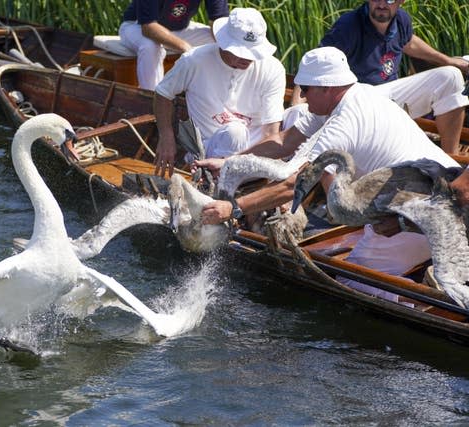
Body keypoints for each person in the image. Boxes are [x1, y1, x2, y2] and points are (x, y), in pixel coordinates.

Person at [198, 46, 460, 284]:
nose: (300, 95)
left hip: (417, 214)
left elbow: (295, 184)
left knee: (354, 283)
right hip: (454, 192)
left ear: (327, 88)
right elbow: (284, 142)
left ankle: (430, 286)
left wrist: (233, 208)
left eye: (306, 89)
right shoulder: (357, 96)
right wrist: (229, 162)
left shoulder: (342, 124)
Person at [292, 0, 469, 154]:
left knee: (450, 76)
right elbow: (315, 63)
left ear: (401, 1)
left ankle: (450, 158)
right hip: (358, 103)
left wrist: (448, 61)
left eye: (389, 0)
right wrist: (295, 107)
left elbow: (409, 42)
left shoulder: (401, 20)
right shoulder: (349, 26)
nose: (382, 4)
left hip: (388, 100)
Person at [154, 7, 295, 177]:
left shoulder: (272, 69)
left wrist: (268, 164)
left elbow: (271, 130)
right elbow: (163, 93)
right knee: (235, 132)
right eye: (240, 51)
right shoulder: (194, 60)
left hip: (256, 151)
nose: (246, 58)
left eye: (252, 52)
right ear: (223, 42)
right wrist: (166, 135)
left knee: (299, 115)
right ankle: (216, 179)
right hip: (210, 146)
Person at [119, 0, 229, 90]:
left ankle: (221, 92)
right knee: (150, 47)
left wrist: (225, 44)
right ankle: (151, 97)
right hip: (136, 26)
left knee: (221, 41)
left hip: (180, 28)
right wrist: (186, 48)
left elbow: (219, 22)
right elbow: (148, 28)